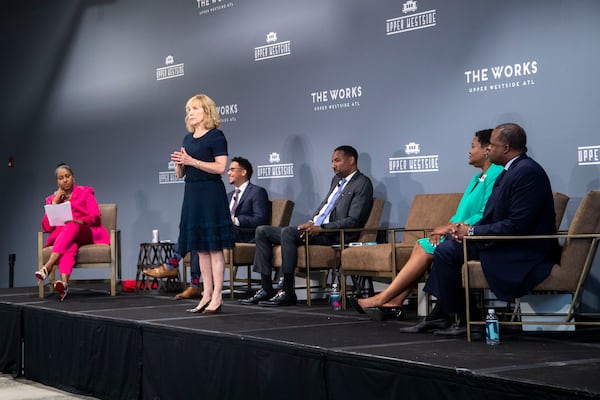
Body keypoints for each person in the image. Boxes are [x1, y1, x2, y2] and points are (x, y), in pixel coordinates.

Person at [401, 122, 558, 336]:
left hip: (523, 248)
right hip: (504, 241)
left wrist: (473, 233)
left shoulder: (527, 173)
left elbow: (518, 225)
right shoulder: (509, 172)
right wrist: (463, 230)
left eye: (492, 145)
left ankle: (462, 319)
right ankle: (449, 316)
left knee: (447, 252)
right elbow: (491, 216)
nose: (488, 149)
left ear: (506, 148)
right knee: (448, 248)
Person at [349, 129, 504, 321]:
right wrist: (445, 227)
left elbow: (484, 214)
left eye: (472, 147)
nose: (469, 151)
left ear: (487, 149)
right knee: (421, 244)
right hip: (457, 233)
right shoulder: (476, 178)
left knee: (424, 248)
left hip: (472, 236)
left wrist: (448, 229)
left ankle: (383, 298)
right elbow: (459, 214)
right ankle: (393, 301)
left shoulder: (496, 174)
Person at [240, 145, 374, 307]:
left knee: (289, 232)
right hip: (317, 229)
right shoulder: (336, 181)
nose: (333, 165)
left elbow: (354, 220)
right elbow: (325, 206)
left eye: (337, 161)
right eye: (332, 161)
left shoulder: (362, 183)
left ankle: (287, 291)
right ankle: (266, 288)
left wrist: (322, 228)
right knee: (262, 231)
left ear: (351, 160)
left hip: (334, 234)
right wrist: (311, 222)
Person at [143, 156, 270, 300]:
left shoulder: (257, 192)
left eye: (232, 169)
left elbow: (260, 219)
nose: (228, 172)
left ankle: (174, 267)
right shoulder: (227, 196)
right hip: (223, 231)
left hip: (243, 235)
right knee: (199, 233)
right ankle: (194, 285)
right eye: (228, 170)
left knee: (200, 233)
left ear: (243, 172)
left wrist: (235, 220)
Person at [171, 93, 235, 314]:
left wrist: (192, 161)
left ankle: (218, 294)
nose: (191, 113)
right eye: (189, 109)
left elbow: (220, 168)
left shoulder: (216, 136)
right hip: (192, 194)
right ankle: (206, 293)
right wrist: (179, 164)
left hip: (210, 194)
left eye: (195, 108)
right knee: (200, 248)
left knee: (214, 248)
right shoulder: (187, 139)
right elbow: (181, 174)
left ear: (206, 111)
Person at [35, 164, 110, 301]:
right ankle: (63, 283)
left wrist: (79, 221)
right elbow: (47, 227)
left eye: (67, 176)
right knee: (70, 246)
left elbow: (95, 217)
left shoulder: (85, 192)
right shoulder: (52, 199)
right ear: (57, 182)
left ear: (73, 178)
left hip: (86, 232)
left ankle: (48, 266)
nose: (65, 180)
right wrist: (54, 203)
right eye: (61, 178)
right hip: (66, 237)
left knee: (71, 226)